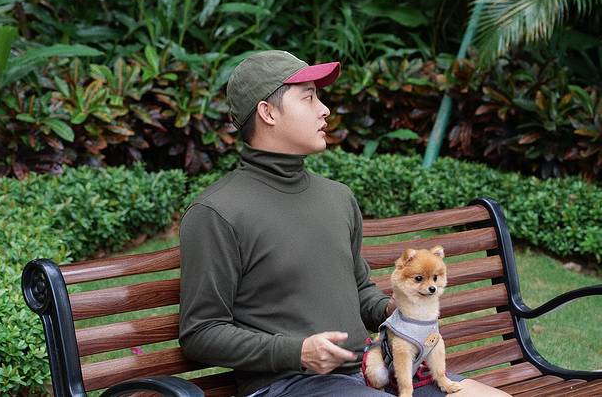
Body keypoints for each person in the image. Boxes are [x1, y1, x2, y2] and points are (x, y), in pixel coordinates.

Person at [178, 50, 510, 397]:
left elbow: (359, 289)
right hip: (290, 384)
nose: (324, 109)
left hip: (374, 368)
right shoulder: (217, 212)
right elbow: (201, 332)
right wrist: (296, 352)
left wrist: (394, 307)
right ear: (268, 112)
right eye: (308, 98)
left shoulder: (337, 197)